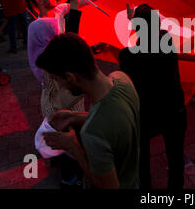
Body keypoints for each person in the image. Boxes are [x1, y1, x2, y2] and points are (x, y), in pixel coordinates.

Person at [37, 33, 140, 189]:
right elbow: (114, 122)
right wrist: (74, 116)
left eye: (57, 80)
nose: (60, 86)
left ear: (70, 77)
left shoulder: (92, 133)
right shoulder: (121, 79)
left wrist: (74, 147)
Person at [119, 4, 187, 190]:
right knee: (176, 158)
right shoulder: (167, 42)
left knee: (142, 160)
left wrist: (132, 22)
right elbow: (156, 35)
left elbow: (135, 47)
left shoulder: (126, 56)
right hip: (173, 110)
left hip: (146, 115)